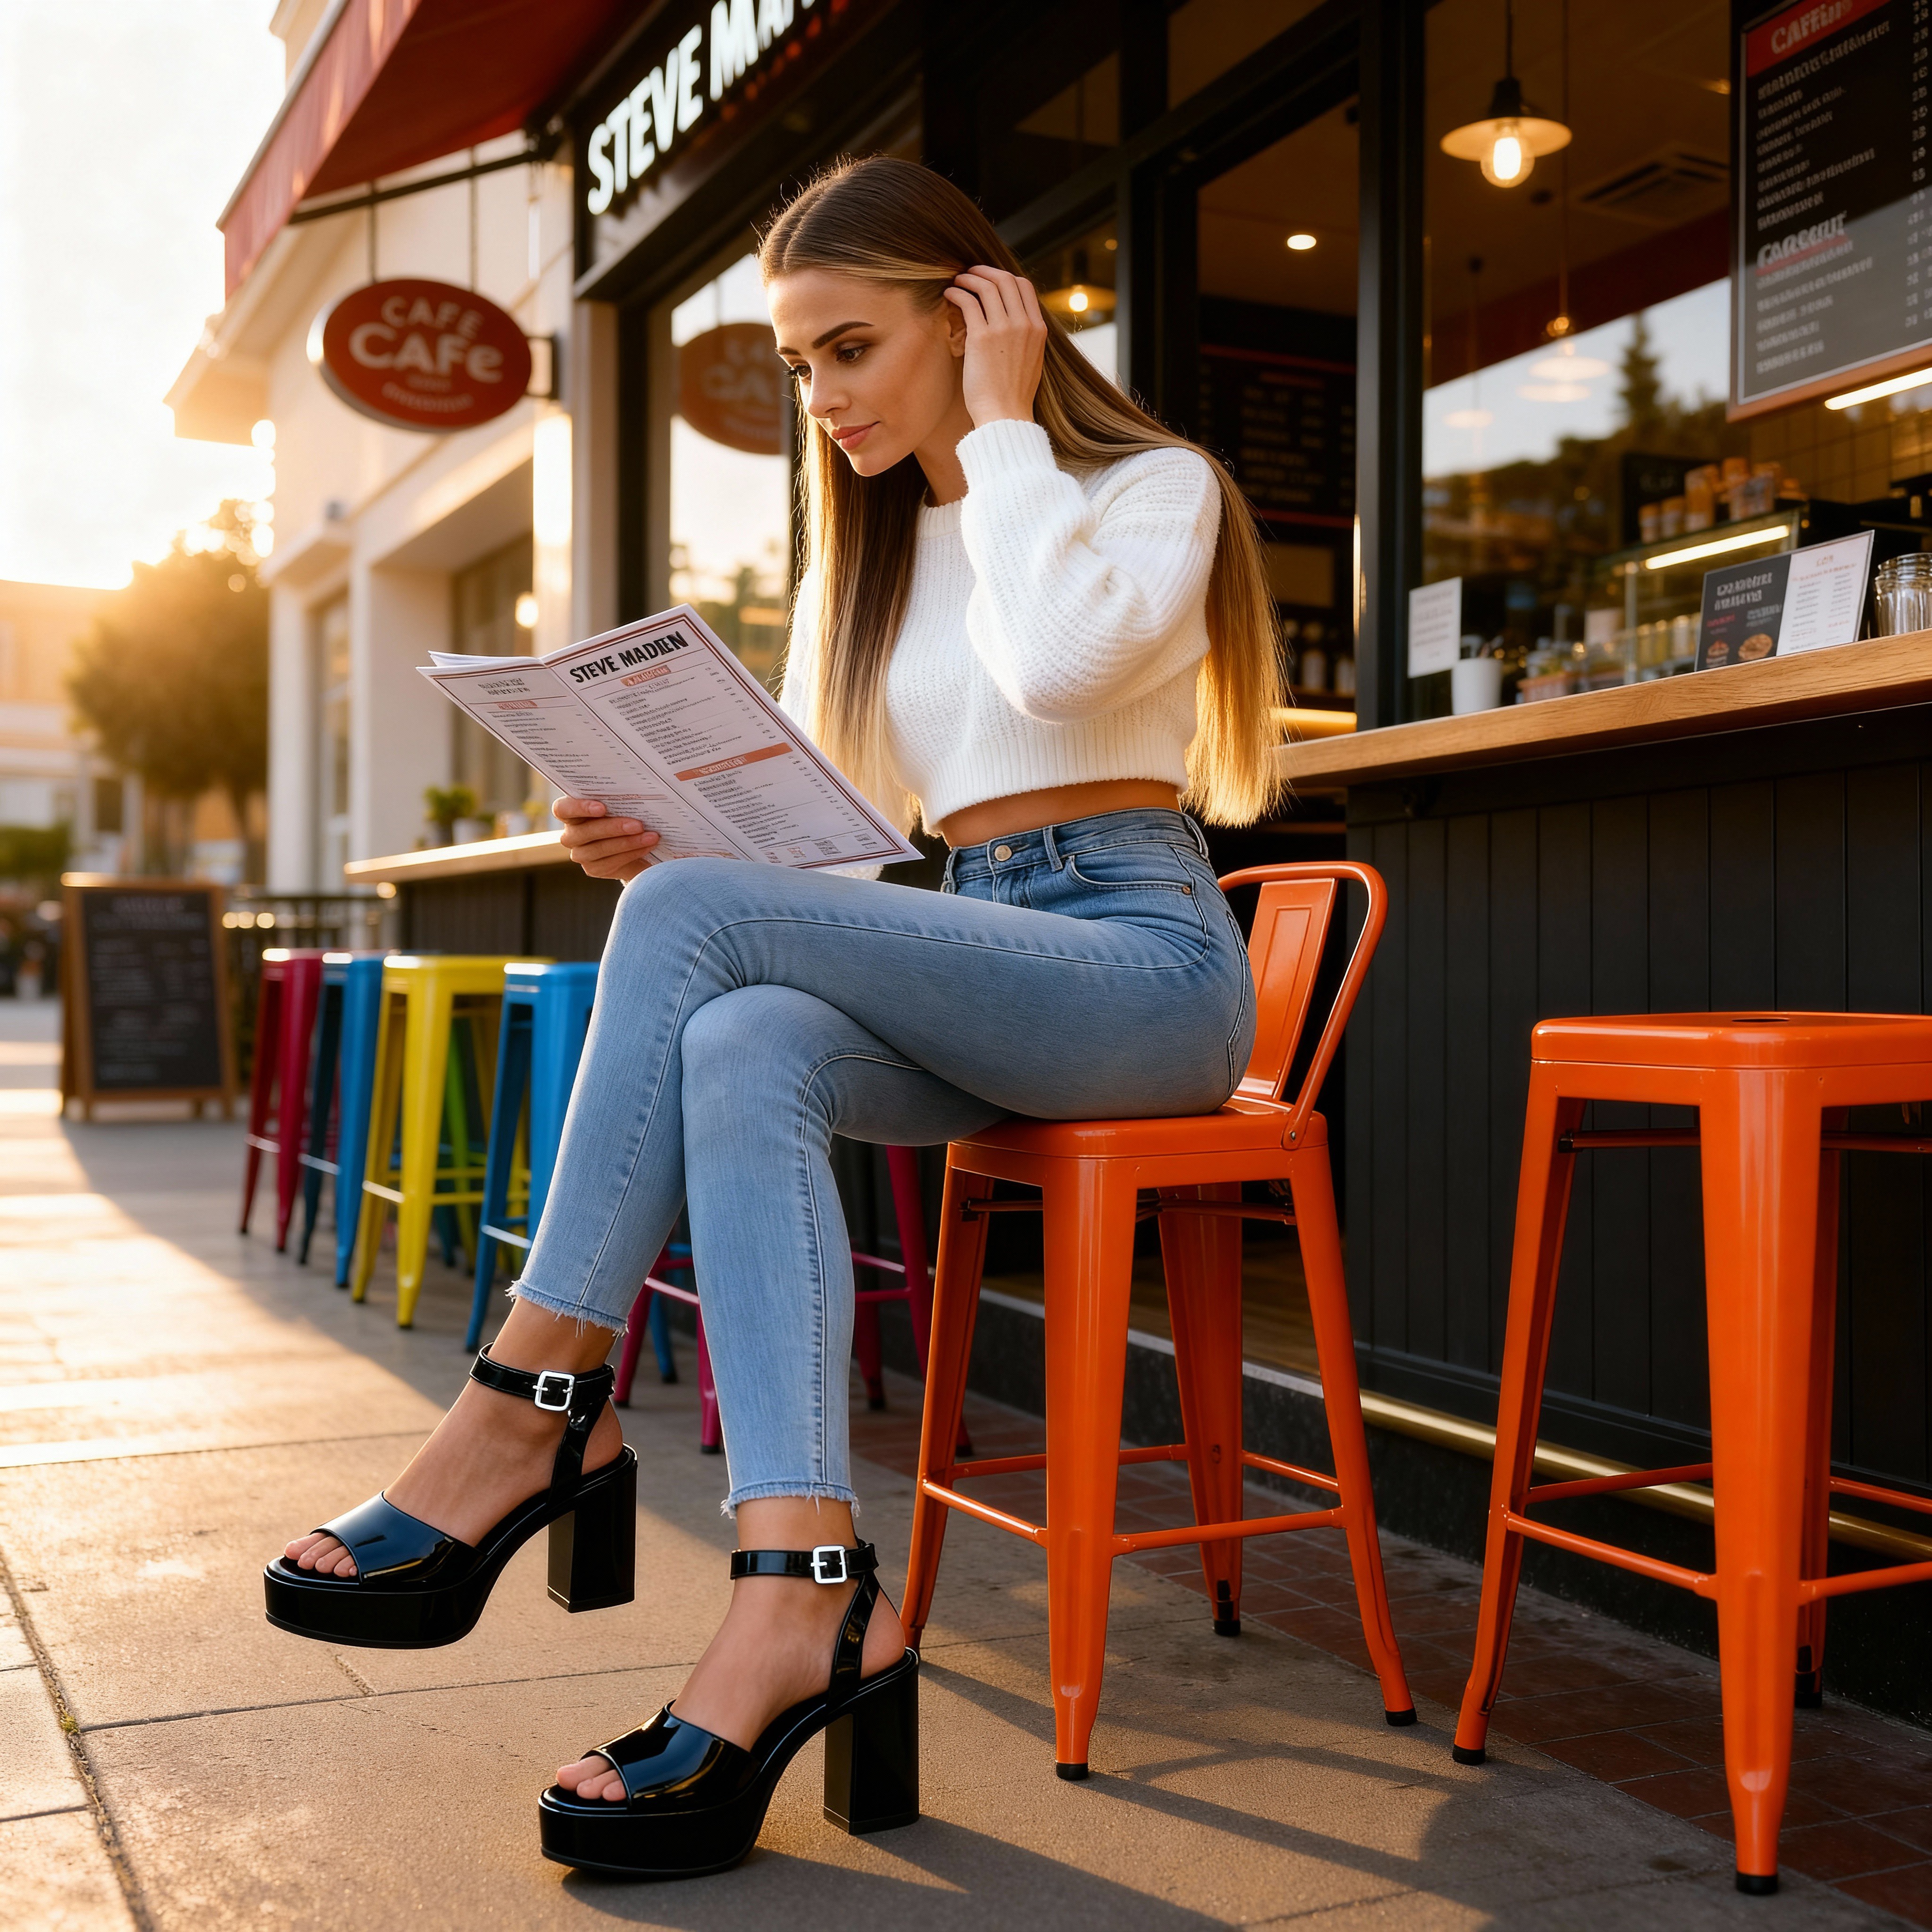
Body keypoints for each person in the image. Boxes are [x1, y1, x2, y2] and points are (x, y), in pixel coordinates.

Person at [264, 153, 1282, 1877]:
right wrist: (657, 839)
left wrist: (1009, 426)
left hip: (1142, 966)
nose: (818, 399)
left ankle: (527, 1407)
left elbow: (1057, 672)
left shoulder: (1150, 487)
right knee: (737, 1033)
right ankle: (806, 1595)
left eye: (851, 350)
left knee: (702, 944)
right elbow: (830, 847)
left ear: (980, 316)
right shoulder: (869, 562)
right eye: (797, 363)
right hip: (970, 950)